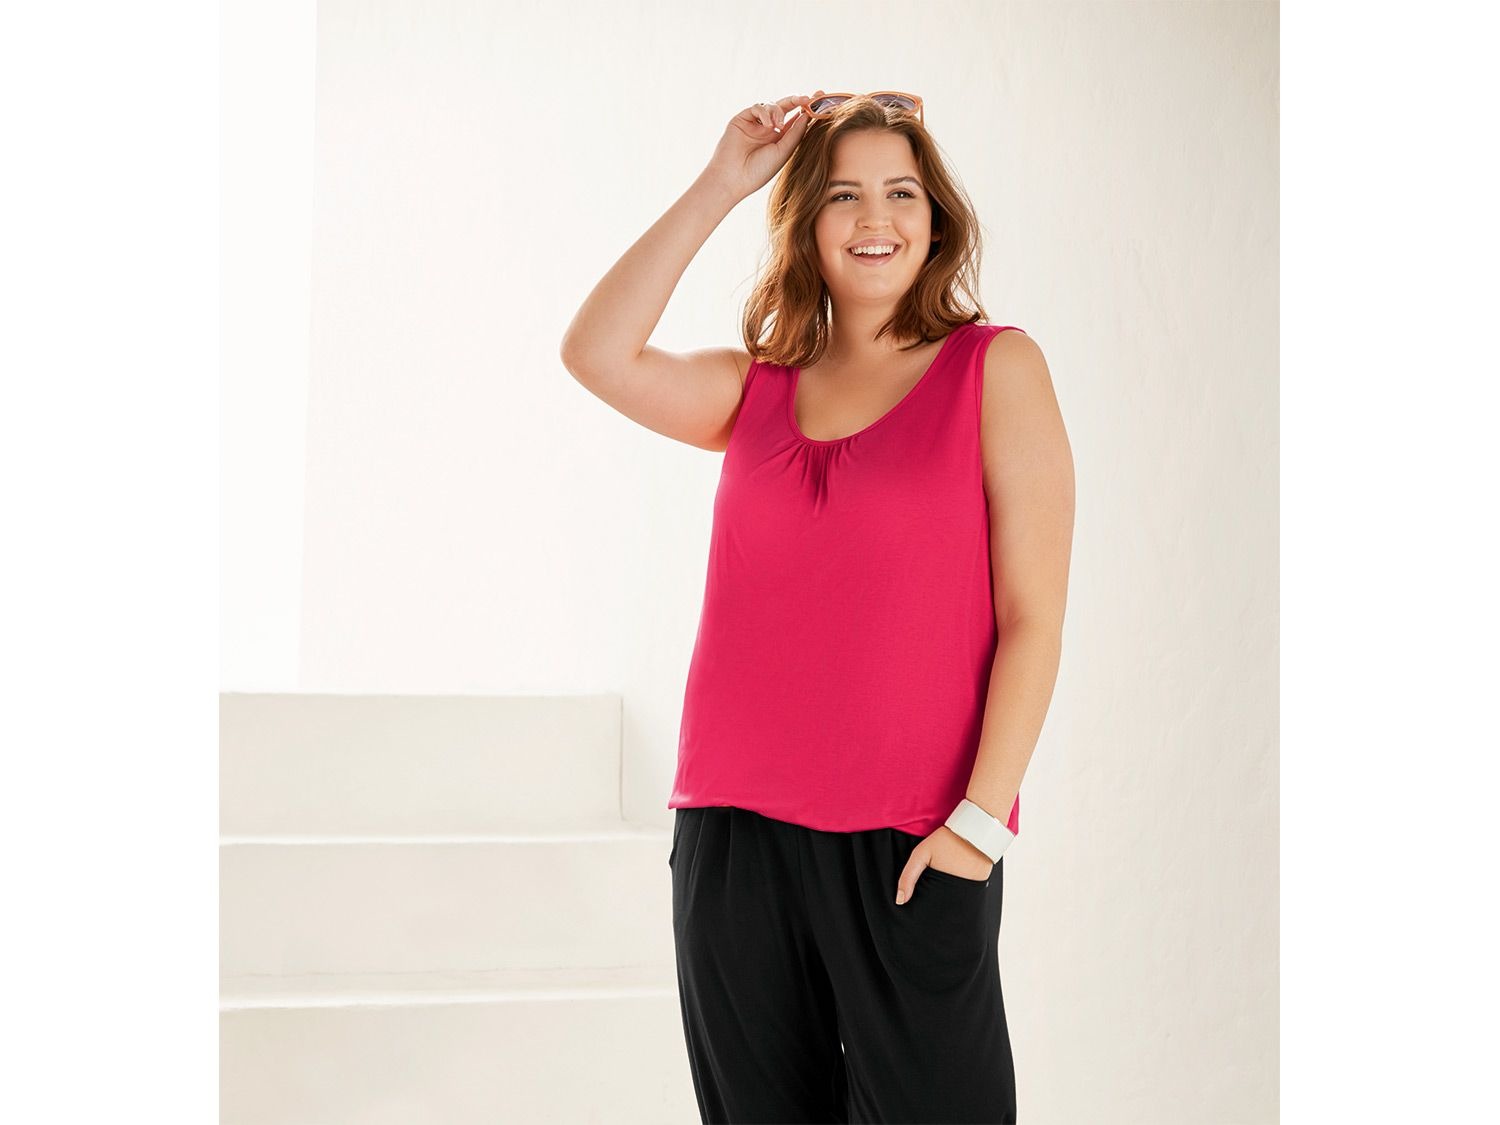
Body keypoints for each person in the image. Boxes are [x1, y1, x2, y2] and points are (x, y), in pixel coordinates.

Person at [560, 91, 1074, 1125]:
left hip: (915, 841)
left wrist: (978, 827)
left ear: (936, 217)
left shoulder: (995, 369)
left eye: (900, 192)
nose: (875, 217)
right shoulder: (753, 389)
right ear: (806, 222)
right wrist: (722, 183)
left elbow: (1033, 617)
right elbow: (597, 353)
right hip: (734, 838)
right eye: (844, 194)